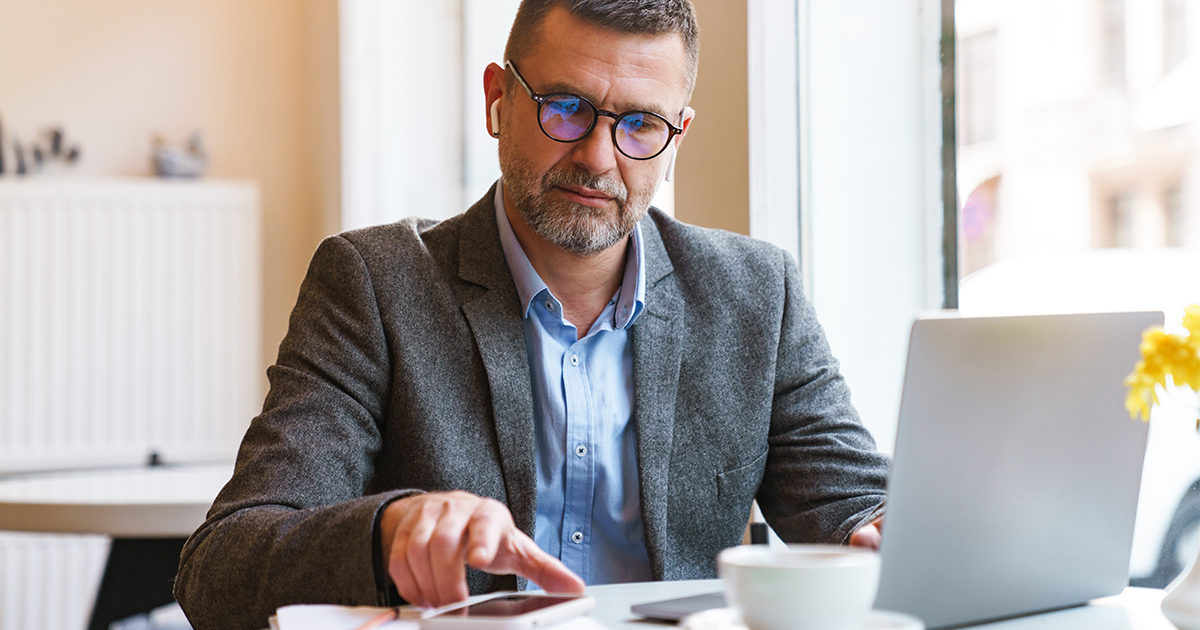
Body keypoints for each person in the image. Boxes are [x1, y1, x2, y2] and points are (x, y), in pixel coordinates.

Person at [174, 1, 888, 629]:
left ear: (677, 136)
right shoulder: (374, 284)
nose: (598, 158)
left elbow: (859, 509)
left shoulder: (757, 295)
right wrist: (386, 531)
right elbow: (220, 570)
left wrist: (896, 532)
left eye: (640, 125)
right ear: (497, 99)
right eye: (566, 107)